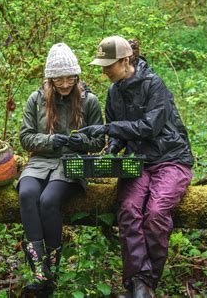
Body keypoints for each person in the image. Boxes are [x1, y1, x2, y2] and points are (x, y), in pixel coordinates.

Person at [79, 36, 194, 297]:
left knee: (155, 213)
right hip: (136, 161)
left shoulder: (155, 85)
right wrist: (110, 148)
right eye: (102, 65)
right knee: (129, 209)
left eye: (109, 65)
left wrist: (109, 129)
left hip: (171, 159)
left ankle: (146, 284)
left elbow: (148, 127)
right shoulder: (113, 91)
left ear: (125, 60)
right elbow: (119, 130)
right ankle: (137, 283)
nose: (104, 70)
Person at [18, 43, 105, 294]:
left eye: (70, 79)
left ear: (77, 77)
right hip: (40, 161)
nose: (65, 84)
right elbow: (25, 137)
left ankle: (52, 273)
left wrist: (83, 142)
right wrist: (48, 140)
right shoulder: (36, 99)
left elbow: (99, 140)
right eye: (59, 79)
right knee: (26, 194)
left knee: (48, 201)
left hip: (72, 164)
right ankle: (39, 273)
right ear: (50, 78)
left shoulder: (89, 101)